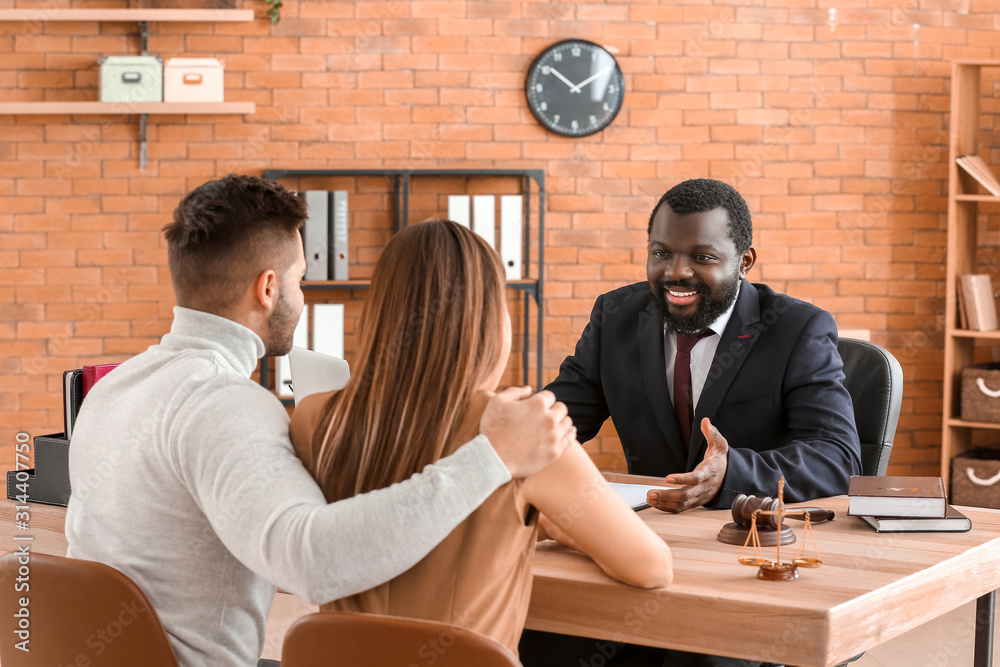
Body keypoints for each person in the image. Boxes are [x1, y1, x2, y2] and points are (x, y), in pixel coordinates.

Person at [65, 175, 575, 667]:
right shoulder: (226, 403)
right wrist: (494, 457)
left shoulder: (114, 388)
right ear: (268, 289)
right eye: (300, 280)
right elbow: (316, 562)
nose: (302, 298)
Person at [289, 218, 673, 654]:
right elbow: (652, 567)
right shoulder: (527, 431)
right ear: (491, 319)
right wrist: (567, 530)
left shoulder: (311, 419)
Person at [520, 178, 861, 667]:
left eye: (702, 257)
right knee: (542, 623)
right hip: (640, 549)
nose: (676, 272)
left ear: (745, 262)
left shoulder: (795, 330)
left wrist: (731, 473)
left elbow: (838, 456)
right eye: (661, 253)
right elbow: (555, 420)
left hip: (745, 559)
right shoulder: (616, 315)